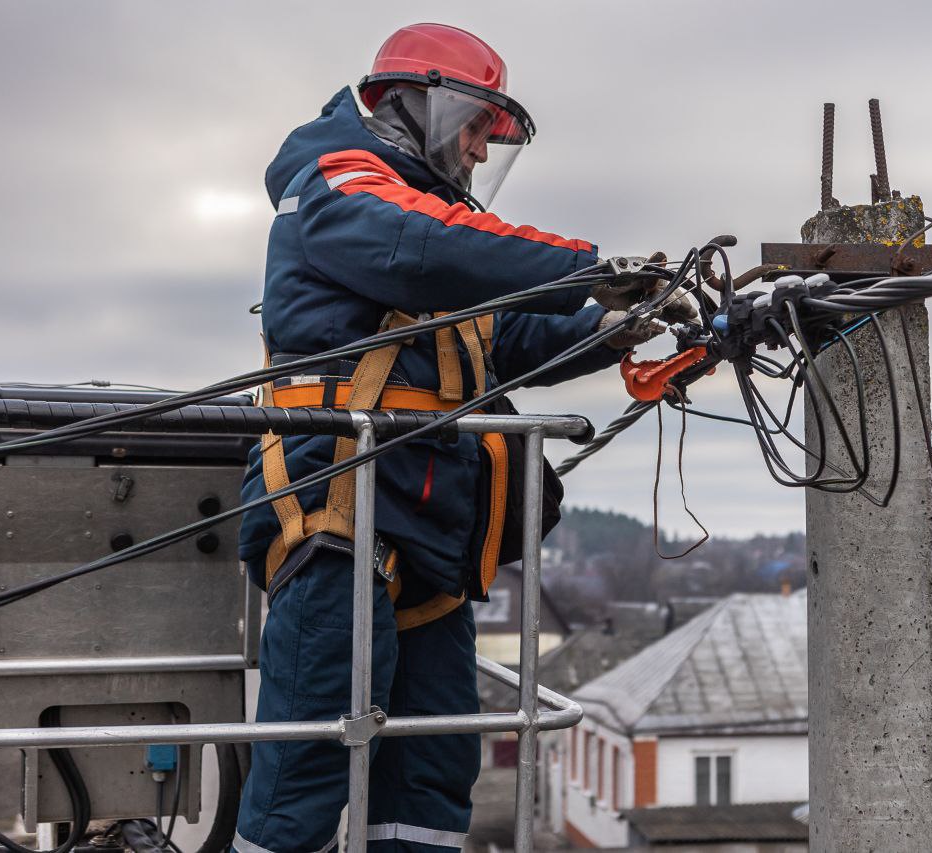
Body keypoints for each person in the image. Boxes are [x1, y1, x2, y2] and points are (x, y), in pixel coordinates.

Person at [232, 23, 684, 853]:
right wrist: (589, 266)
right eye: (475, 127)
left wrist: (611, 328)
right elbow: (422, 249)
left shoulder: (432, 228)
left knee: (433, 767)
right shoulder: (335, 180)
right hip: (339, 513)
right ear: (416, 102)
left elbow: (495, 345)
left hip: (428, 529)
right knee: (308, 766)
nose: (479, 153)